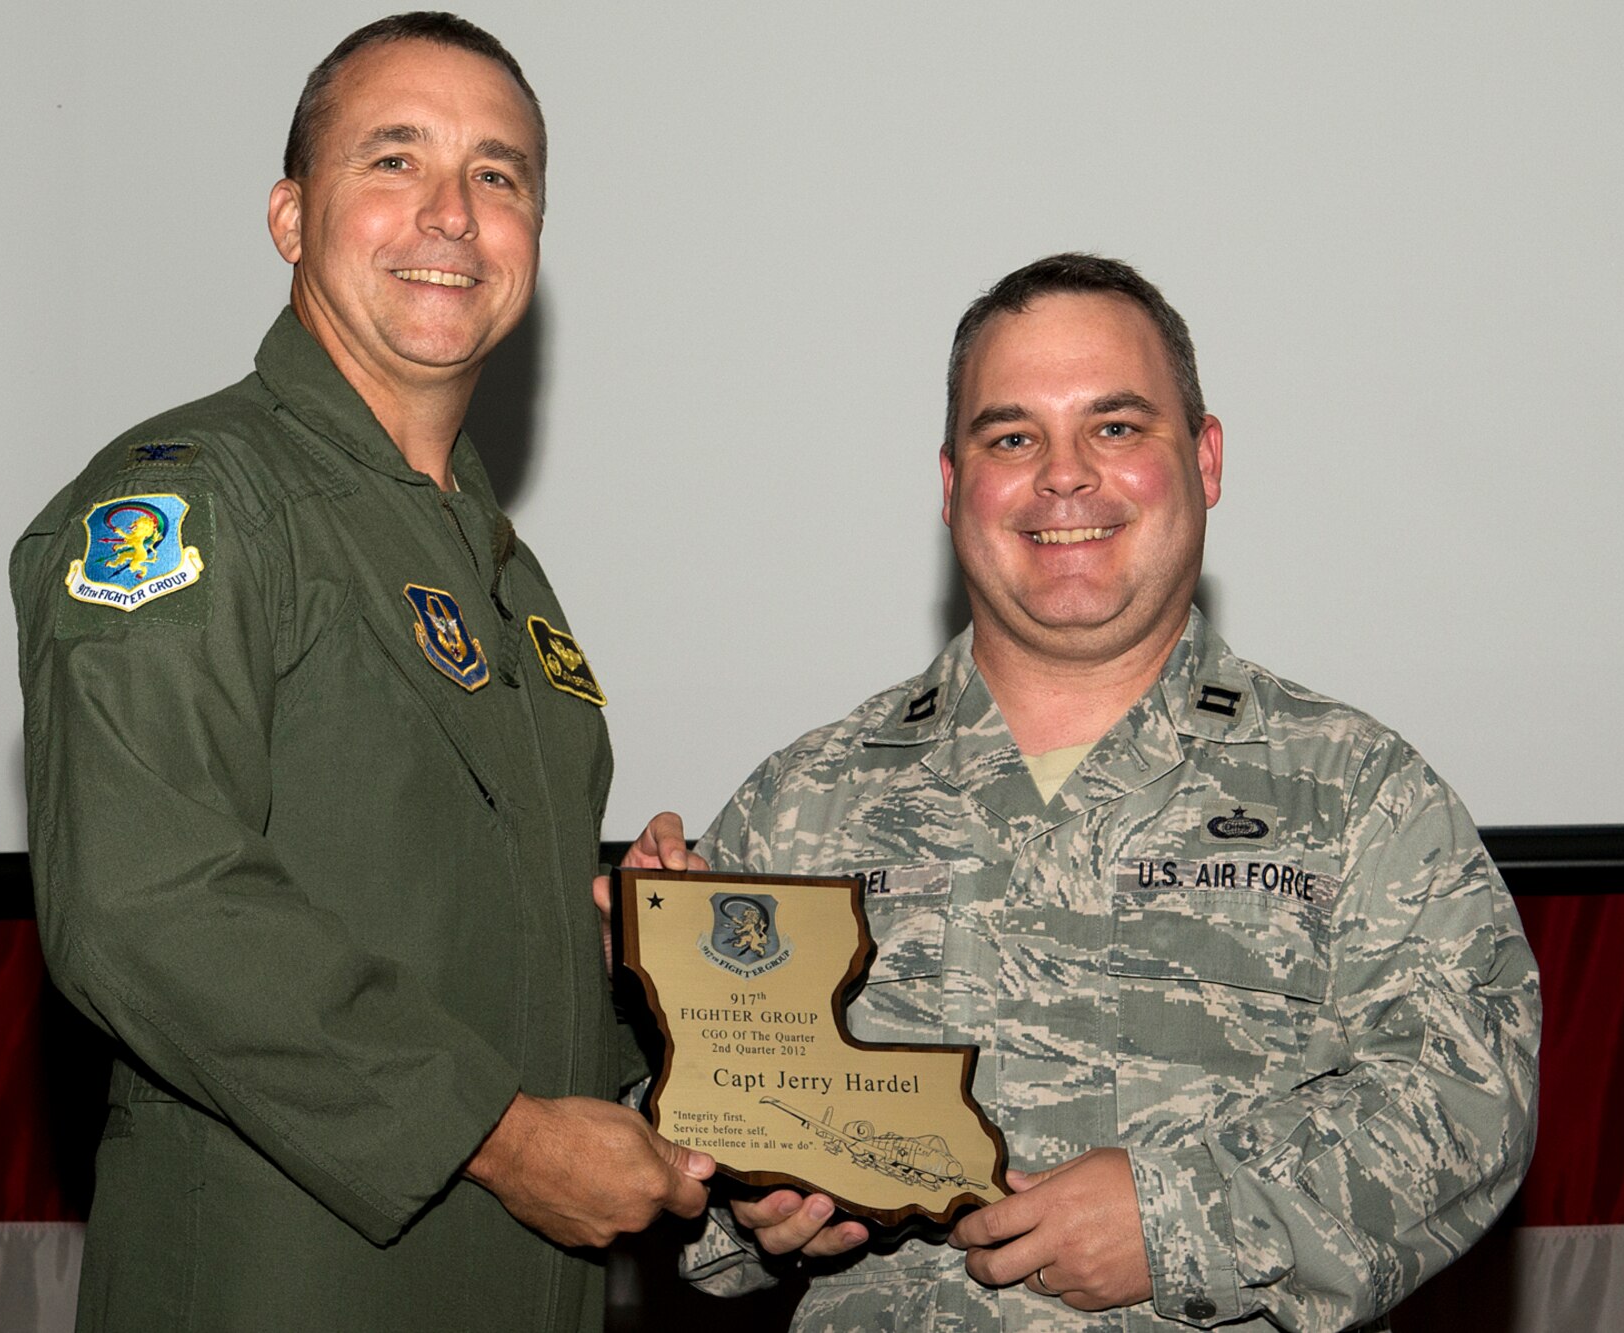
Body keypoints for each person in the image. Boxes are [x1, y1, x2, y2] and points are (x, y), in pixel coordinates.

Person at [627, 254, 1540, 1331]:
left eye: (1115, 427)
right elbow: (672, 1148)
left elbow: (1470, 1099)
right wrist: (743, 1195)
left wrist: (1179, 1216)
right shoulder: (800, 804)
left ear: (1202, 459)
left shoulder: (1353, 790)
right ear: (951, 481)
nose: (1062, 475)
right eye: (1010, 437)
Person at [10, 14, 711, 1330]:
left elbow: (444, 927)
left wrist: (631, 958)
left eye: (500, 176)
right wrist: (502, 1138)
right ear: (289, 216)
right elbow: (149, 903)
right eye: (395, 159)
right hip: (288, 1280)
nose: (452, 213)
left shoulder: (505, 574)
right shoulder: (194, 505)